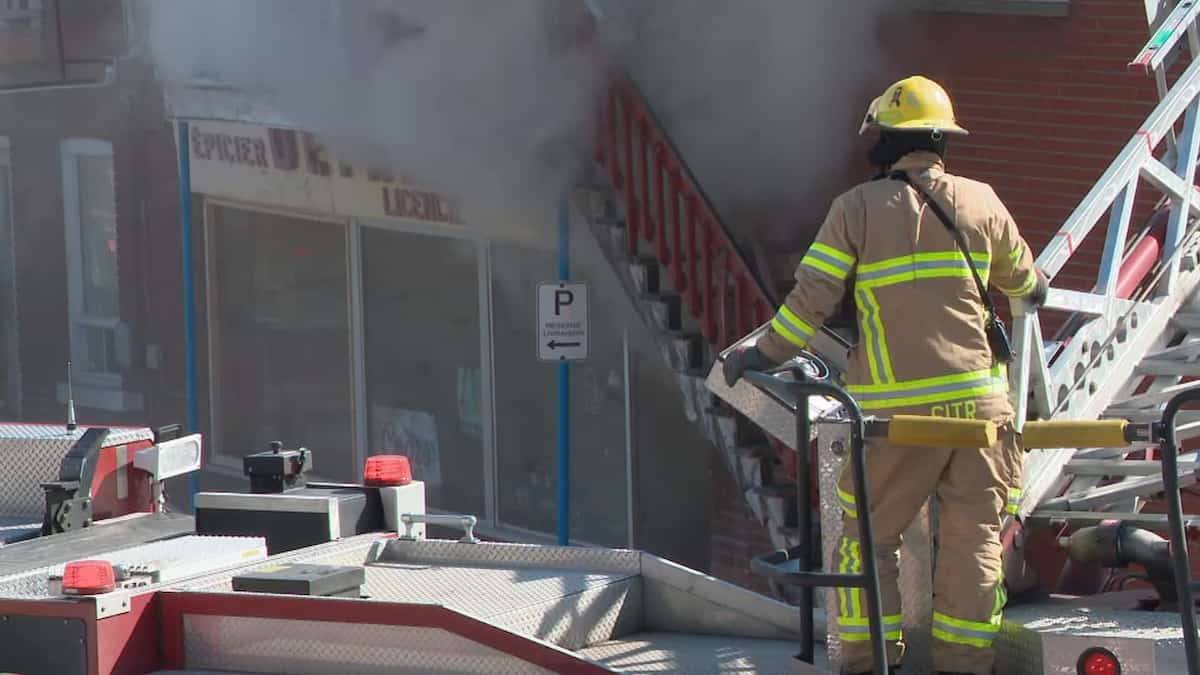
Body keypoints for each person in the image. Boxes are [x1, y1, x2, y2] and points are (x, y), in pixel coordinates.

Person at [723, 75, 1047, 675]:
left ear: (886, 143)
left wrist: (761, 355)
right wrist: (1028, 286)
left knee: (865, 540)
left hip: (898, 421)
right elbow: (1027, 285)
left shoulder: (856, 210)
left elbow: (810, 301)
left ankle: (872, 661)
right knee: (974, 541)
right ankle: (962, 664)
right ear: (942, 141)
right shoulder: (983, 200)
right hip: (981, 410)